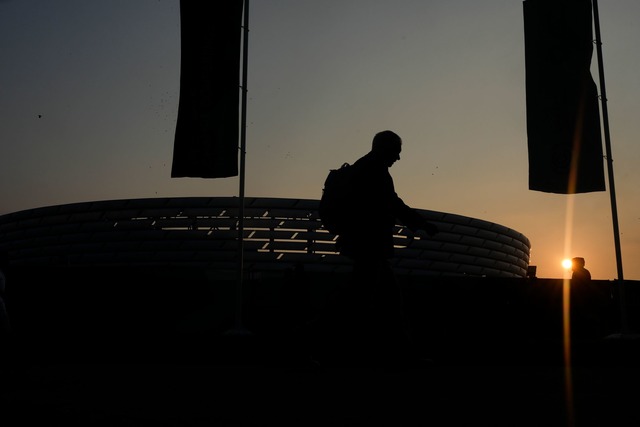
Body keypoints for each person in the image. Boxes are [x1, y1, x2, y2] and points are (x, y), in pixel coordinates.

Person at [329, 130, 438, 369]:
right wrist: (422, 223)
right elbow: (392, 203)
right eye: (396, 152)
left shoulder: (365, 167)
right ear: (384, 148)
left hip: (365, 246)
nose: (398, 158)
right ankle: (317, 346)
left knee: (374, 300)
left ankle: (397, 353)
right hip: (369, 246)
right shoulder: (374, 170)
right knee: (368, 302)